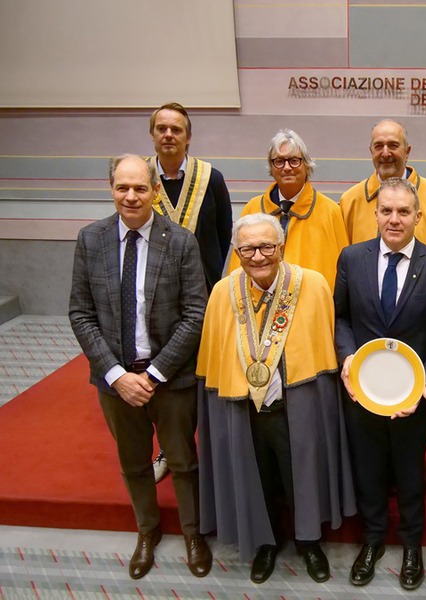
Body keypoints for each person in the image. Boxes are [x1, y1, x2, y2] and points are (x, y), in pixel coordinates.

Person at [69, 154, 210, 580]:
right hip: (115, 382)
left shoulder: (182, 241)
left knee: (183, 462)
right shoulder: (90, 240)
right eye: (122, 188)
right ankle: (147, 532)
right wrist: (116, 375)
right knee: (133, 463)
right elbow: (81, 314)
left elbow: (195, 314)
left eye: (140, 188)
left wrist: (153, 374)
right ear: (111, 189)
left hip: (170, 379)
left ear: (154, 191)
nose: (131, 196)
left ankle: (192, 533)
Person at [196, 213, 356, 584]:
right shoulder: (223, 292)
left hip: (297, 402)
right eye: (248, 248)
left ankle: (308, 542)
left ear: (281, 247)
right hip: (243, 406)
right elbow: (214, 354)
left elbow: (324, 344)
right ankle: (266, 543)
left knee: (302, 474)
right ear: (236, 252)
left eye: (267, 246)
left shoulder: (311, 284)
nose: (258, 256)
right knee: (258, 477)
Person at [334, 177, 426, 591]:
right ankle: (371, 541)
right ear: (375, 215)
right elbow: (341, 319)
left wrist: (425, 377)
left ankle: (411, 545)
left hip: (414, 396)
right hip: (362, 392)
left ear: (418, 216)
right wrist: (347, 356)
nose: (394, 219)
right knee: (368, 470)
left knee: (409, 473)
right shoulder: (351, 259)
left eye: (403, 212)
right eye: (386, 211)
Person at [147, 102, 233, 482]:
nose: (168, 135)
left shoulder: (210, 177)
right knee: (165, 379)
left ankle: (213, 451)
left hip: (207, 296)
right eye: (162, 128)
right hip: (157, 301)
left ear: (188, 136)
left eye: (176, 129)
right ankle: (169, 448)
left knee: (206, 375)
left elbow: (225, 231)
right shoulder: (140, 179)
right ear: (153, 134)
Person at [338, 119, 426, 293]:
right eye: (378, 146)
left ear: (407, 152)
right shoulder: (350, 200)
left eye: (393, 145)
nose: (385, 153)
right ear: (371, 151)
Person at [228, 129, 348, 291]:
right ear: (271, 166)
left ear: (306, 164)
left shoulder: (330, 211)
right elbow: (237, 269)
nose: (286, 167)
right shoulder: (253, 208)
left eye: (294, 160)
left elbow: (343, 273)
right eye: (279, 161)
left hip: (310, 304)